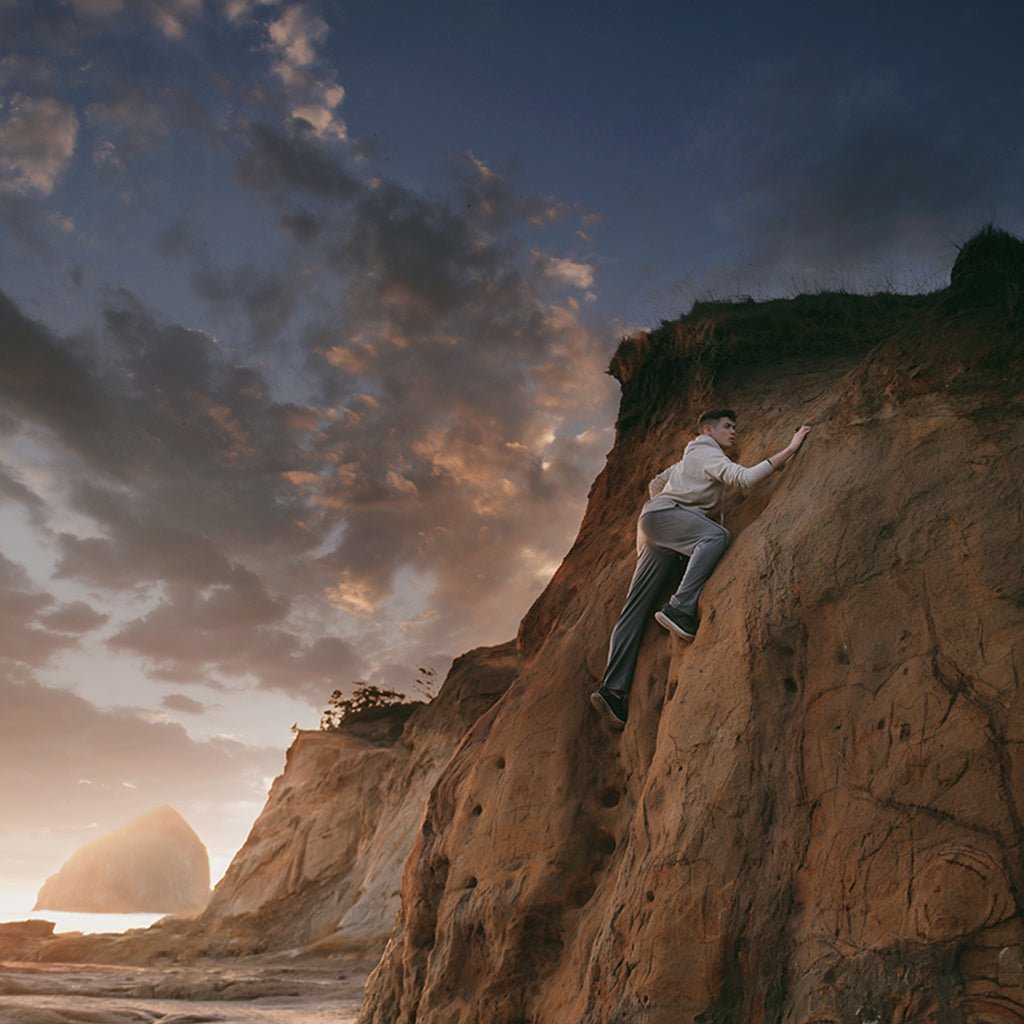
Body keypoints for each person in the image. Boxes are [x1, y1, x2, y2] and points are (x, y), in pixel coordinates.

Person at [590, 410, 810, 730]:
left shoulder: (685, 460)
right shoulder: (708, 452)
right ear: (709, 430)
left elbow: (655, 484)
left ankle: (612, 691)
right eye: (728, 426)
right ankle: (680, 608)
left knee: (633, 610)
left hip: (653, 527)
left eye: (734, 427)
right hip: (667, 521)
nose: (733, 432)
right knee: (715, 535)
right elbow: (745, 479)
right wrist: (790, 449)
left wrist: (671, 507)